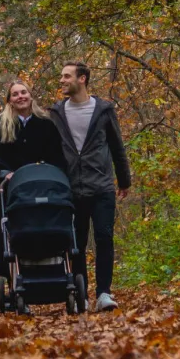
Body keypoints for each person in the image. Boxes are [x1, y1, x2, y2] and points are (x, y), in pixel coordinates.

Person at [49, 61, 131, 312]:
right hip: (70, 188)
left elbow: (117, 147)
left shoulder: (104, 110)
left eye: (66, 76)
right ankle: (81, 295)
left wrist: (124, 180)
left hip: (102, 187)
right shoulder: (56, 112)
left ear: (82, 79)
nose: (61, 81)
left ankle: (104, 293)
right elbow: (50, 150)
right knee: (76, 242)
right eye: (61, 76)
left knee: (105, 237)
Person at [0, 81, 68, 284]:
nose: (20, 96)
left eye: (24, 92)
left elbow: (57, 155)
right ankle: (12, 278)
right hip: (12, 191)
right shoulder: (1, 125)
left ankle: (56, 271)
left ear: (31, 96)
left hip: (44, 189)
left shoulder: (46, 124)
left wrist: (49, 172)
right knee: (9, 232)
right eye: (15, 94)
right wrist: (5, 174)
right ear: (9, 101)